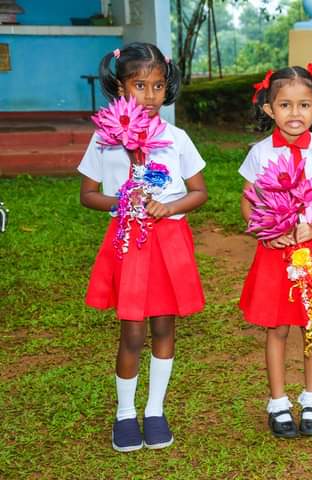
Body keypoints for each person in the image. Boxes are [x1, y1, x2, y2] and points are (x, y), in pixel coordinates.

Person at [78, 42, 207, 451]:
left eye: (157, 86)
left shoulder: (177, 138)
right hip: (130, 244)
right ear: (119, 87)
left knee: (164, 327)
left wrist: (168, 206)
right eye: (139, 85)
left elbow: (199, 192)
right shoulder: (105, 138)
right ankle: (124, 414)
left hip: (170, 243)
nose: (149, 96)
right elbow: (87, 194)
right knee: (132, 334)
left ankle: (155, 410)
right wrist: (121, 201)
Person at [238, 65, 312, 438]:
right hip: (275, 253)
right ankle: (278, 403)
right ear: (270, 109)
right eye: (285, 105)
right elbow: (248, 199)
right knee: (278, 327)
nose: (295, 113)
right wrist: (264, 231)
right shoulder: (260, 153)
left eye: (304, 105)